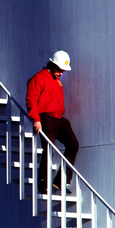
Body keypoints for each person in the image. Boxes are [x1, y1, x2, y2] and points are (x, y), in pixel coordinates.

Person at [26, 50, 79, 193]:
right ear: (52, 65)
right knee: (49, 150)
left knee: (73, 144)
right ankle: (42, 183)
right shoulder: (39, 78)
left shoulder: (56, 79)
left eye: (63, 71)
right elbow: (31, 100)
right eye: (59, 70)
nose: (61, 73)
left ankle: (61, 181)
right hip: (46, 118)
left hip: (58, 118)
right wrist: (36, 120)